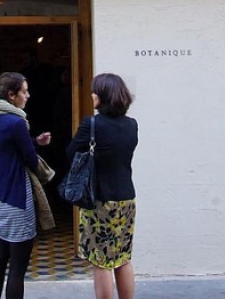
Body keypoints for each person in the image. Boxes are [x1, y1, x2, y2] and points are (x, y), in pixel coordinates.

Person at [68, 73, 138, 299]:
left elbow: (71, 153)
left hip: (99, 199)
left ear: (102, 96)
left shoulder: (92, 124)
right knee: (123, 257)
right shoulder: (131, 125)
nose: (91, 94)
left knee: (101, 262)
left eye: (94, 91)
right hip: (127, 197)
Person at [0, 71, 52, 299]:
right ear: (12, 96)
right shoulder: (16, 122)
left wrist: (33, 141)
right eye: (24, 91)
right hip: (16, 198)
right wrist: (35, 148)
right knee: (18, 268)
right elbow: (30, 158)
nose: (28, 95)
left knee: (0, 256)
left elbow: (9, 148)